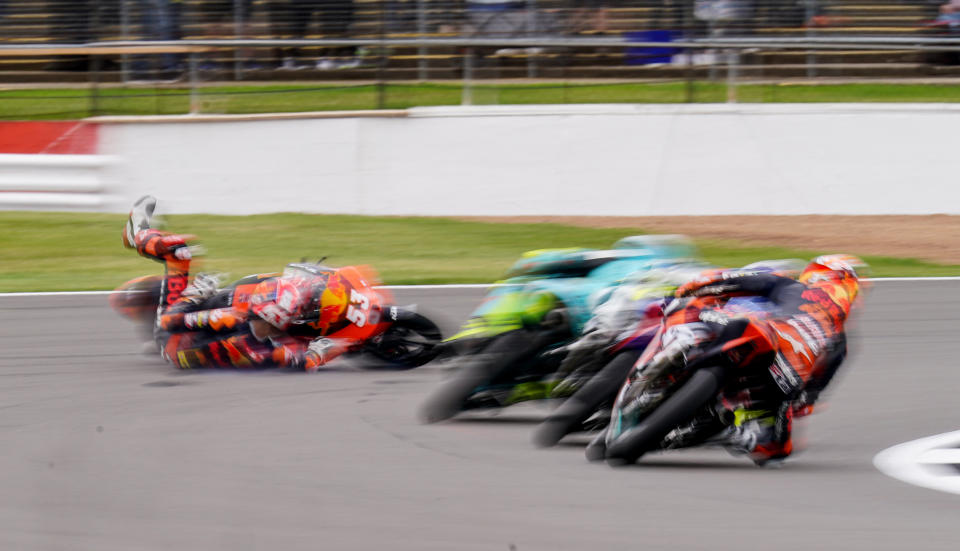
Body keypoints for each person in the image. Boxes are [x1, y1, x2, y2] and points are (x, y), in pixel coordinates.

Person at [671, 254, 866, 465]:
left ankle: (682, 363)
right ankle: (734, 433)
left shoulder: (793, 287)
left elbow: (736, 280)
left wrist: (692, 287)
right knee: (778, 450)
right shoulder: (839, 339)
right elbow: (813, 391)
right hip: (784, 380)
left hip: (755, 337)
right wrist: (802, 403)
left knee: (691, 313)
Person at [122, 195, 352, 371]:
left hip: (175, 336)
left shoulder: (235, 320)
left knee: (180, 252)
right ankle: (139, 235)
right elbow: (303, 361)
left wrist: (196, 293)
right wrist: (323, 352)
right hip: (182, 342)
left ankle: (140, 234)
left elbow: (172, 321)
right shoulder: (260, 346)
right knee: (180, 254)